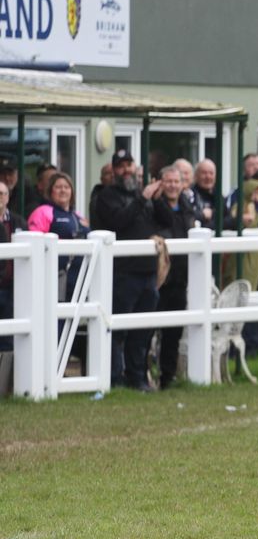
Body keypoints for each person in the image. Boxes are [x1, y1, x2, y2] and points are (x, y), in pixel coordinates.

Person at [91, 150, 161, 391]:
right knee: (117, 330)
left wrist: (159, 198)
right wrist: (143, 198)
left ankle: (137, 378)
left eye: (129, 164)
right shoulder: (107, 196)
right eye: (121, 166)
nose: (126, 170)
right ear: (113, 170)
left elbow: (165, 221)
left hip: (148, 272)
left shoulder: (144, 194)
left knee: (143, 331)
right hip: (124, 273)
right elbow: (119, 221)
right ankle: (114, 378)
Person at [151, 166, 196, 389]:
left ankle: (167, 377)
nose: (172, 186)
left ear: (182, 184)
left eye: (176, 182)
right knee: (149, 330)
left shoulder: (188, 207)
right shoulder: (153, 207)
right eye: (168, 181)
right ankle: (145, 376)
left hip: (181, 278)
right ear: (161, 183)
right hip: (160, 278)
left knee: (173, 333)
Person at [27, 172, 90, 303]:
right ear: (50, 191)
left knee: (74, 319)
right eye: (58, 187)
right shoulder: (43, 212)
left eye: (67, 187)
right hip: (54, 278)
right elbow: (35, 244)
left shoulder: (77, 215)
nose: (63, 190)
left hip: (78, 278)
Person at [0, 180, 26, 353]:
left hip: (12, 287)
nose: (0, 198)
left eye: (2, 193)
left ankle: (5, 378)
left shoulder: (18, 222)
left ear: (8, 198)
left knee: (9, 338)